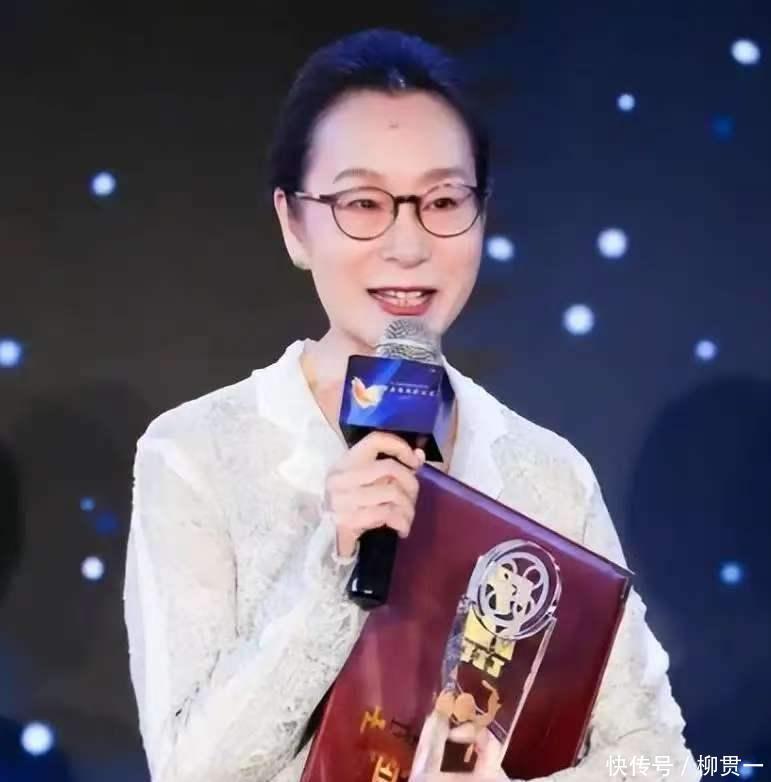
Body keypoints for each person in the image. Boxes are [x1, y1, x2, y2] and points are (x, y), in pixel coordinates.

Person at [123, 28, 700, 782]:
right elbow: (188, 771)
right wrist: (332, 567)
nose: (407, 244)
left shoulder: (545, 474)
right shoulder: (196, 455)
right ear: (293, 223)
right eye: (362, 203)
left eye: (442, 201)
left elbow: (660, 758)